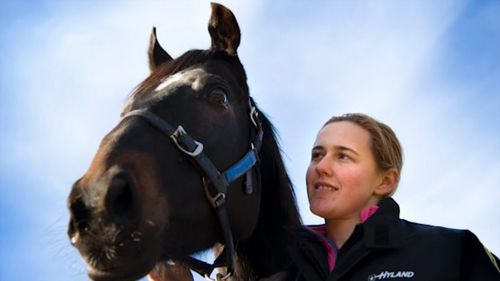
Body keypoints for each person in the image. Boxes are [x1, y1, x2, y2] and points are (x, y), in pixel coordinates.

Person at [281, 113, 500, 281]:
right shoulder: (280, 263)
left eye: (343, 156)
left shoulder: (453, 251)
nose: (322, 167)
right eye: (317, 155)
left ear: (385, 181)